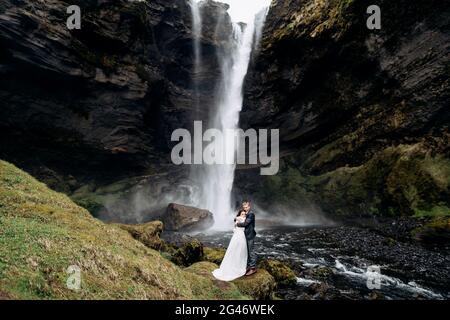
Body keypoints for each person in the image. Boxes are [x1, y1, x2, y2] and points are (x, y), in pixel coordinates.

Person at [212, 210, 248, 281]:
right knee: (236, 249)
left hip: (240, 236)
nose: (243, 215)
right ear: (239, 214)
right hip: (238, 236)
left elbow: (237, 227)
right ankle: (234, 266)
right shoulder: (239, 218)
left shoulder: (241, 219)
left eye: (244, 214)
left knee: (241, 250)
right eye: (242, 214)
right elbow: (239, 223)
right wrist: (239, 219)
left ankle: (238, 264)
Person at [236, 201, 257, 276]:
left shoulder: (251, 214)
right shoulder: (246, 213)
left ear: (249, 206)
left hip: (250, 235)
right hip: (246, 235)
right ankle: (249, 266)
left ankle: (253, 268)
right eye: (244, 207)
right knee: (247, 251)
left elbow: (246, 223)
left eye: (246, 207)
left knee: (251, 251)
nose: (245, 208)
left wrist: (237, 224)